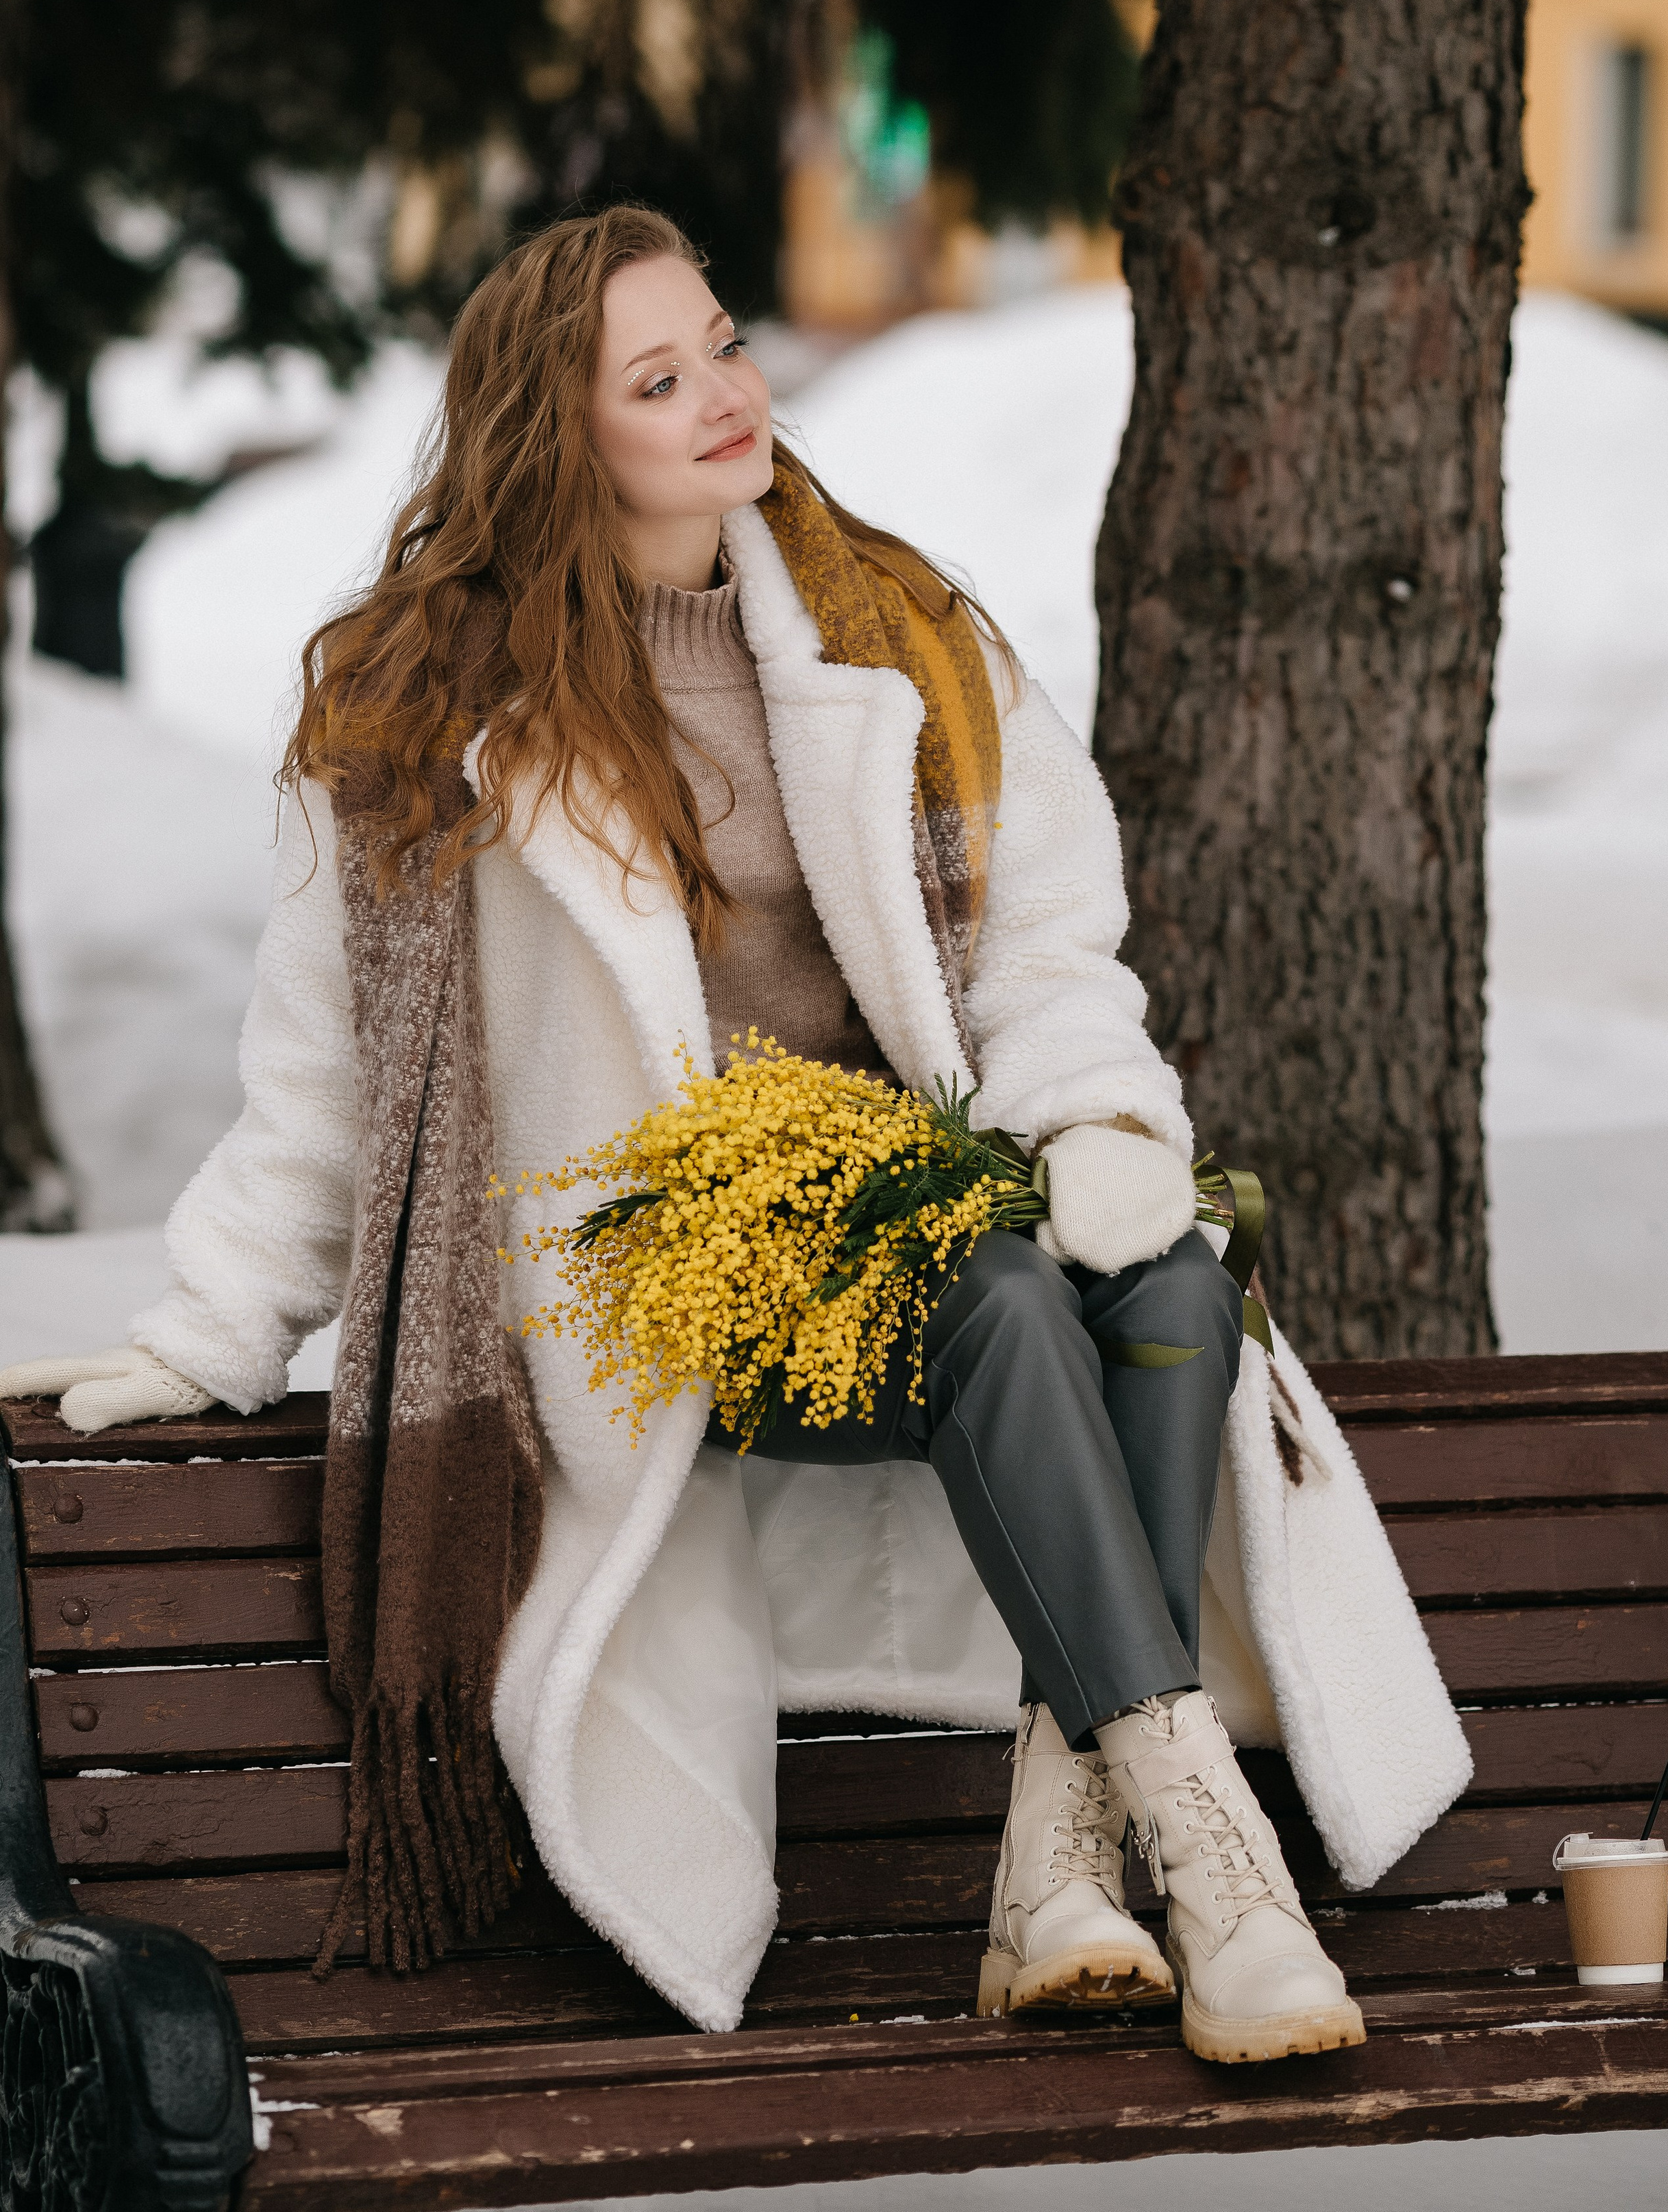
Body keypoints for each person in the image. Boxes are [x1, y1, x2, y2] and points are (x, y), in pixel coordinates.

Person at [1, 208, 1459, 2059]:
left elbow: (1046, 951)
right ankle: (1206, 1845)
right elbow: (332, 1082)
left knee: (1166, 1285)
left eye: (726, 344)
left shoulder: (901, 631)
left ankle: (1069, 1853)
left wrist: (1093, 1115)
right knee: (1005, 1295)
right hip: (659, 1270)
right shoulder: (418, 705)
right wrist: (209, 1328)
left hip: (922, 1217)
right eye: (658, 377)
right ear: (556, 429)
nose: (725, 398)